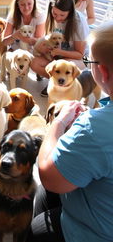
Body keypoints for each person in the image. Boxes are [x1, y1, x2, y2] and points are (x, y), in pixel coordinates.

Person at [27, 21, 113, 242]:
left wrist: (58, 124)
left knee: (38, 224)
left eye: (89, 61)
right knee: (44, 195)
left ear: (102, 71)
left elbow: (49, 177)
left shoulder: (94, 128)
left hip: (96, 233)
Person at [30, 0, 89, 95]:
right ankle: (58, 83)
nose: (57, 18)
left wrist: (58, 52)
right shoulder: (51, 18)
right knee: (34, 63)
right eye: (55, 14)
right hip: (59, 55)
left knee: (61, 66)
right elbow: (49, 39)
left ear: (70, 12)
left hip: (81, 58)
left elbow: (80, 54)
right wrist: (44, 49)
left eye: (62, 15)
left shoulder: (79, 22)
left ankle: (60, 86)